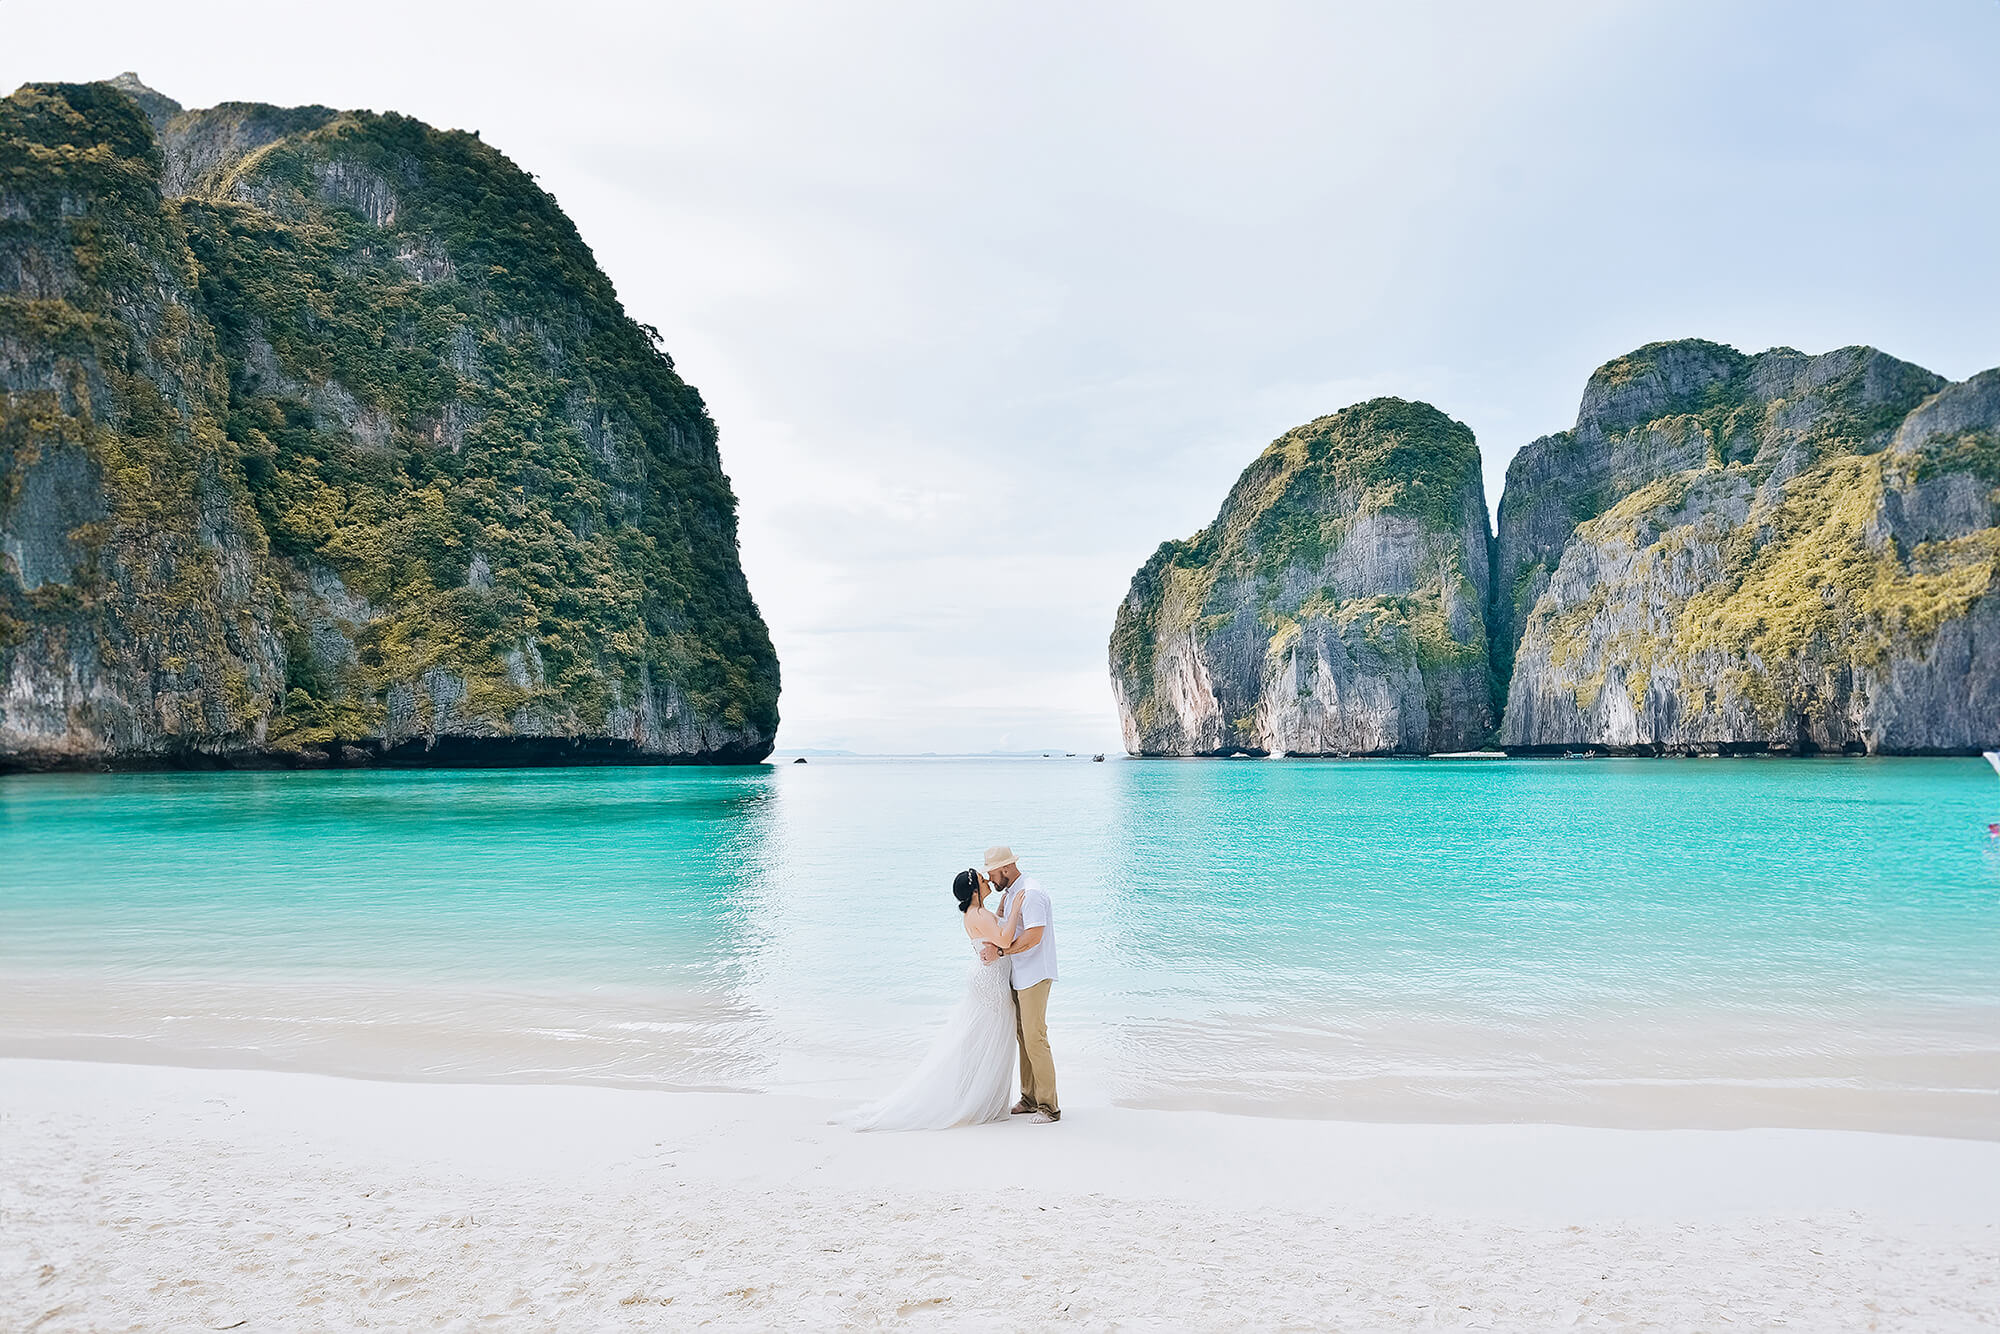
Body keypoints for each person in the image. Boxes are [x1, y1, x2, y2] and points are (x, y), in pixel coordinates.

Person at [838, 867, 1026, 1131]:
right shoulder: (979, 914)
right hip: (991, 984)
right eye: (983, 881)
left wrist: (1004, 908)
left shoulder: (975, 914)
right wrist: (1016, 907)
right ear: (975, 891)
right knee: (992, 1038)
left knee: (981, 1039)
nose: (987, 882)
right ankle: (980, 1102)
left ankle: (978, 1097)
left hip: (985, 979)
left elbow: (994, 930)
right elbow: (1004, 939)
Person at [983, 844, 1059, 1122]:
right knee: (1023, 1037)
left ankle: (1049, 1107)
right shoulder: (1013, 891)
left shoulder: (1032, 892)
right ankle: (1028, 1098)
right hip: (1019, 974)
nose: (990, 879)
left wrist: (1001, 952)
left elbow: (1034, 936)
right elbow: (1006, 927)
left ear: (1005, 868)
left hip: (1035, 974)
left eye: (992, 873)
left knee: (1035, 1038)